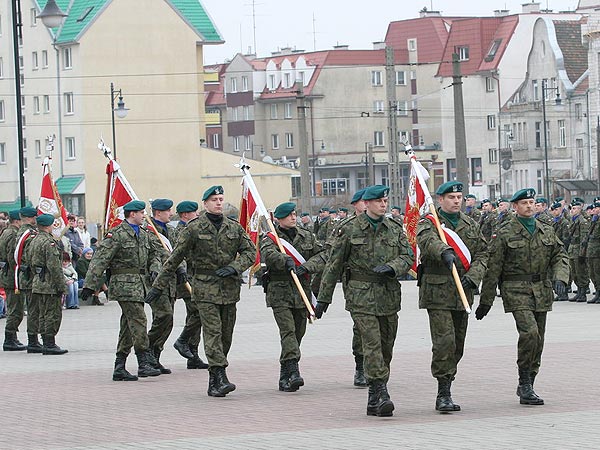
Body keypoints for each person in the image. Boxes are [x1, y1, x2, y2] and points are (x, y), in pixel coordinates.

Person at [146, 186, 255, 397]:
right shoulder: (194, 228)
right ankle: (219, 375)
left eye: (221, 198)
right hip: (205, 288)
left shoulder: (233, 228)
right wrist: (158, 287)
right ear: (205, 204)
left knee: (226, 335)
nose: (218, 202)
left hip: (229, 288)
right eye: (214, 199)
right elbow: (174, 259)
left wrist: (235, 266)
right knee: (212, 332)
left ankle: (215, 377)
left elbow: (250, 251)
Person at [316, 185, 414, 417]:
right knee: (371, 344)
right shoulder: (348, 229)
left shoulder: (394, 228)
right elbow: (334, 265)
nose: (383, 204)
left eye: (386, 200)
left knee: (386, 345)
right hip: (361, 295)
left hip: (388, 293)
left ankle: (373, 395)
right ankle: (381, 392)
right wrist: (323, 298)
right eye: (379, 201)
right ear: (366, 203)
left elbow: (408, 255)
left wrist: (393, 267)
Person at [477, 188, 569, 406]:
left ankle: (529, 381)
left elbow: (560, 255)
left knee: (539, 339)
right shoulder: (505, 232)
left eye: (531, 202)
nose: (529, 206)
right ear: (515, 207)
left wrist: (560, 278)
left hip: (541, 289)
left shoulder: (545, 230)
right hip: (515, 288)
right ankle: (524, 381)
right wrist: (486, 301)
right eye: (524, 203)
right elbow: (493, 269)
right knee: (530, 333)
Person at [416, 181, 489, 413]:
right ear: (440, 200)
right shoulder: (430, 223)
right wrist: (444, 251)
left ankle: (448, 378)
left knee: (457, 344)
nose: (457, 201)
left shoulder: (471, 225)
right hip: (437, 291)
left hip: (462, 291)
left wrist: (475, 276)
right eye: (451, 197)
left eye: (459, 197)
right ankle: (443, 391)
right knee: (444, 341)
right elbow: (427, 243)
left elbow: (483, 253)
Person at [81, 200, 162, 381]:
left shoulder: (144, 233)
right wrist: (90, 284)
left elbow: (155, 254)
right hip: (124, 284)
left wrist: (155, 267)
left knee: (128, 325)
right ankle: (144, 361)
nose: (144, 215)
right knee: (139, 319)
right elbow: (100, 259)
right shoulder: (116, 234)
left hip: (141, 285)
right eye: (141, 212)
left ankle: (120, 366)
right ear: (132, 214)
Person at [260, 202, 324, 392]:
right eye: (288, 215)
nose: (293, 218)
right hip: (279, 291)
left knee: (298, 333)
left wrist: (307, 267)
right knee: (287, 331)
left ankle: (284, 373)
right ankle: (294, 370)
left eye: (294, 214)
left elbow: (322, 255)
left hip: (301, 291)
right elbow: (268, 255)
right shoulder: (271, 238)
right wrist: (284, 260)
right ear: (279, 219)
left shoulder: (306, 235)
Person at [171, 200, 208, 369]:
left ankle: (192, 354)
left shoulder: (193, 229)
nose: (197, 215)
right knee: (197, 311)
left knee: (195, 313)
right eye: (194, 212)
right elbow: (179, 255)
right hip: (184, 278)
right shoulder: (181, 231)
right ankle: (183, 342)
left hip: (195, 277)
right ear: (185, 215)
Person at [146, 198, 179, 374]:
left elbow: (177, 252)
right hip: (156, 281)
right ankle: (146, 351)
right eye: (168, 211)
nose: (171, 214)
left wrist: (182, 270)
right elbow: (157, 254)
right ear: (158, 212)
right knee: (163, 316)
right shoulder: (149, 231)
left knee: (169, 320)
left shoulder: (171, 231)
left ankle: (155, 356)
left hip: (171, 282)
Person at [29, 214, 69, 355]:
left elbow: (29, 261)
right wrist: (61, 286)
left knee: (43, 314)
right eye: (52, 224)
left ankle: (46, 341)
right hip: (50, 284)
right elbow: (54, 267)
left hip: (38, 282)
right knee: (52, 314)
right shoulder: (49, 242)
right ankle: (49, 344)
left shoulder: (34, 240)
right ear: (47, 226)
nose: (53, 226)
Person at [15, 207, 42, 353]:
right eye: (34, 217)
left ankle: (33, 339)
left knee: (33, 308)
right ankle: (33, 341)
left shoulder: (22, 232)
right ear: (31, 218)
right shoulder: (28, 234)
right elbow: (31, 257)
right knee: (34, 309)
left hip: (25, 275)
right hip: (30, 276)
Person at [1, 210, 27, 351]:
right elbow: (13, 257)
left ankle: (12, 338)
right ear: (17, 221)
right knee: (15, 309)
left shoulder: (6, 232)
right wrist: (19, 271)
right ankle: (9, 339)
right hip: (12, 277)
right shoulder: (12, 234)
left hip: (9, 275)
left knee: (15, 307)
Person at [567, 200, 590, 302]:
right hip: (572, 249)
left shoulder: (582, 221)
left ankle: (583, 293)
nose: (572, 210)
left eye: (574, 208)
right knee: (574, 272)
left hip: (578, 250)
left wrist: (582, 254)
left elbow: (583, 239)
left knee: (581, 272)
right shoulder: (573, 220)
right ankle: (579, 291)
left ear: (580, 210)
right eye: (571, 208)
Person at [549, 202, 570, 301]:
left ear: (560, 210)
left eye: (556, 210)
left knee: (562, 271)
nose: (554, 212)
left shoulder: (564, 222)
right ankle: (559, 293)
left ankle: (564, 293)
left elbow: (566, 238)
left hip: (562, 248)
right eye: (553, 210)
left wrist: (562, 249)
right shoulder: (553, 222)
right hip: (554, 249)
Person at [585, 201, 600, 303]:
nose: (593, 210)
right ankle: (597, 292)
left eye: (596, 208)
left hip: (598, 252)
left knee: (598, 273)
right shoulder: (594, 220)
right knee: (592, 273)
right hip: (591, 251)